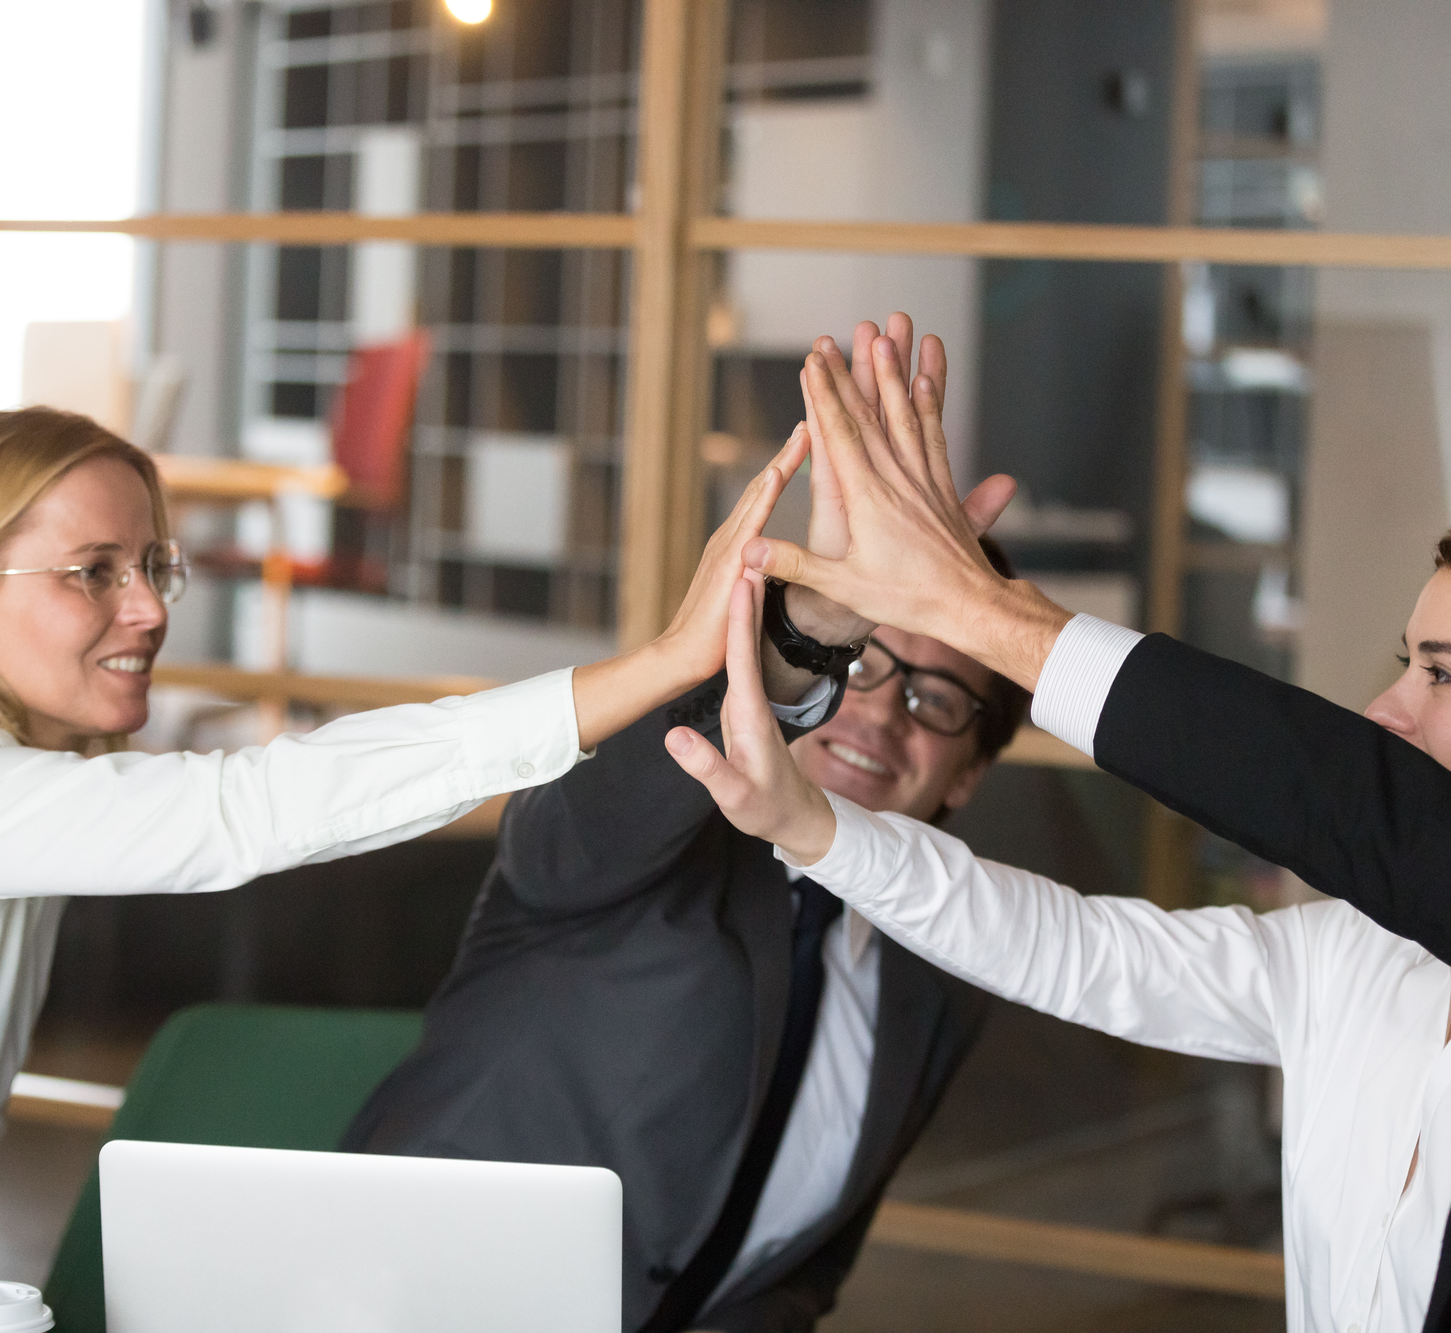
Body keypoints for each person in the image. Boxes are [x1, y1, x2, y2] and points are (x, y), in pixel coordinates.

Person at [678, 329, 1451, 1332]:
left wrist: (982, 611)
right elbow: (1075, 951)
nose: (1383, 714)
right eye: (1403, 661)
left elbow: (1327, 791)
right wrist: (817, 829)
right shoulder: (1354, 955)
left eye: (1440, 672)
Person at [0, 405, 805, 1333]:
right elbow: (253, 809)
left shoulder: (19, 809)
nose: (146, 609)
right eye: (92, 573)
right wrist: (665, 662)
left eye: (150, 566)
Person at [341, 318, 1024, 1333]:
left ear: (964, 775)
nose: (880, 711)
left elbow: (800, 1272)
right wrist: (811, 630)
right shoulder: (644, 844)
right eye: (866, 665)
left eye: (935, 700)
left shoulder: (940, 985)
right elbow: (593, 802)